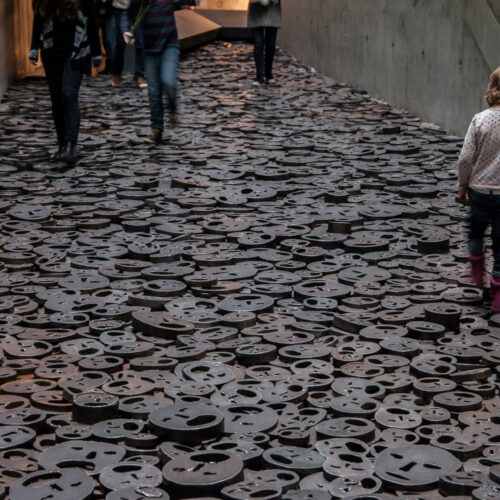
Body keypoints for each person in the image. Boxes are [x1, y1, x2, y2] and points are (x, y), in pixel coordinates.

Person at [29, 0, 102, 165]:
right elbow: (38, 18)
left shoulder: (84, 3)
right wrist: (33, 47)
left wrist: (96, 52)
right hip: (50, 50)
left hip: (77, 51)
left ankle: (70, 146)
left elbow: (91, 22)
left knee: (68, 95)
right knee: (57, 99)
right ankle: (62, 144)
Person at [122, 0, 195, 143]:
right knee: (154, 92)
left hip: (169, 47)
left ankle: (172, 107)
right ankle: (156, 128)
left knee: (168, 81)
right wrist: (126, 30)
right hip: (149, 51)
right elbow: (126, 13)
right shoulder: (140, 3)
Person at [458, 66, 500, 312]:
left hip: (480, 191)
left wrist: (462, 186)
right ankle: (497, 291)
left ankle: (476, 264)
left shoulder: (479, 119)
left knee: (475, 229)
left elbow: (465, 159)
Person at [110, 0, 147, 88]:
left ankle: (140, 75)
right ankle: (117, 73)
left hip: (139, 6)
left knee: (140, 42)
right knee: (121, 42)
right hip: (122, 6)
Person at [247, 0, 281, 86]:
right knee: (258, 44)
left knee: (270, 45)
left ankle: (268, 74)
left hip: (273, 9)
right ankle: (259, 75)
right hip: (256, 10)